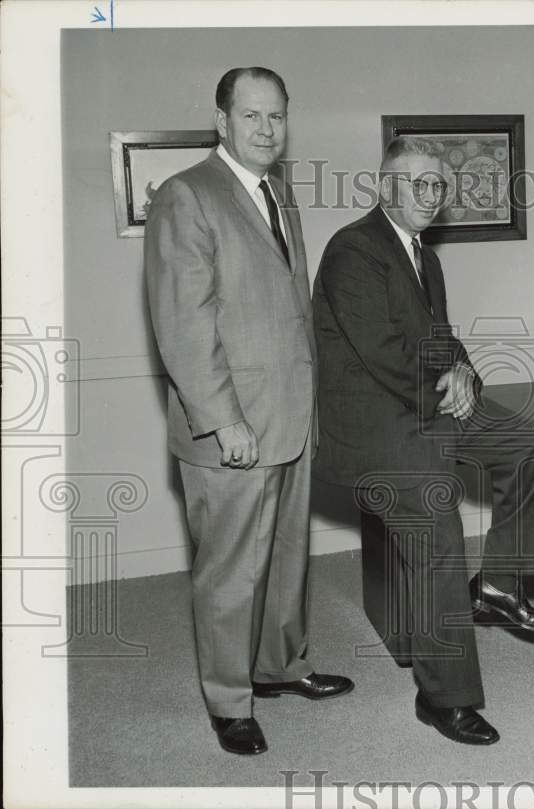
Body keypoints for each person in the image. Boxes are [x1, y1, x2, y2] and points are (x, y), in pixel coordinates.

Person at [312, 136, 534, 745]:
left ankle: (498, 586)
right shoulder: (353, 250)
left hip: (430, 401)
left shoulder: (424, 254)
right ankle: (442, 698)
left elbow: (441, 337)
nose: (429, 196)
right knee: (438, 528)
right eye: (417, 184)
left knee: (531, 443)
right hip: (377, 423)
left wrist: (466, 373)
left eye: (437, 186)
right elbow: (381, 356)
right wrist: (446, 389)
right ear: (385, 188)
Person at [144, 67, 353, 756]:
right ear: (223, 120)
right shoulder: (186, 196)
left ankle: (279, 667)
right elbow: (183, 326)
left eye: (278, 117)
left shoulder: (278, 195)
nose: (268, 129)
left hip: (289, 417)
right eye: (253, 116)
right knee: (231, 571)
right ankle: (229, 702)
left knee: (288, 558)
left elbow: (291, 315)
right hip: (230, 427)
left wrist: (313, 411)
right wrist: (223, 418)